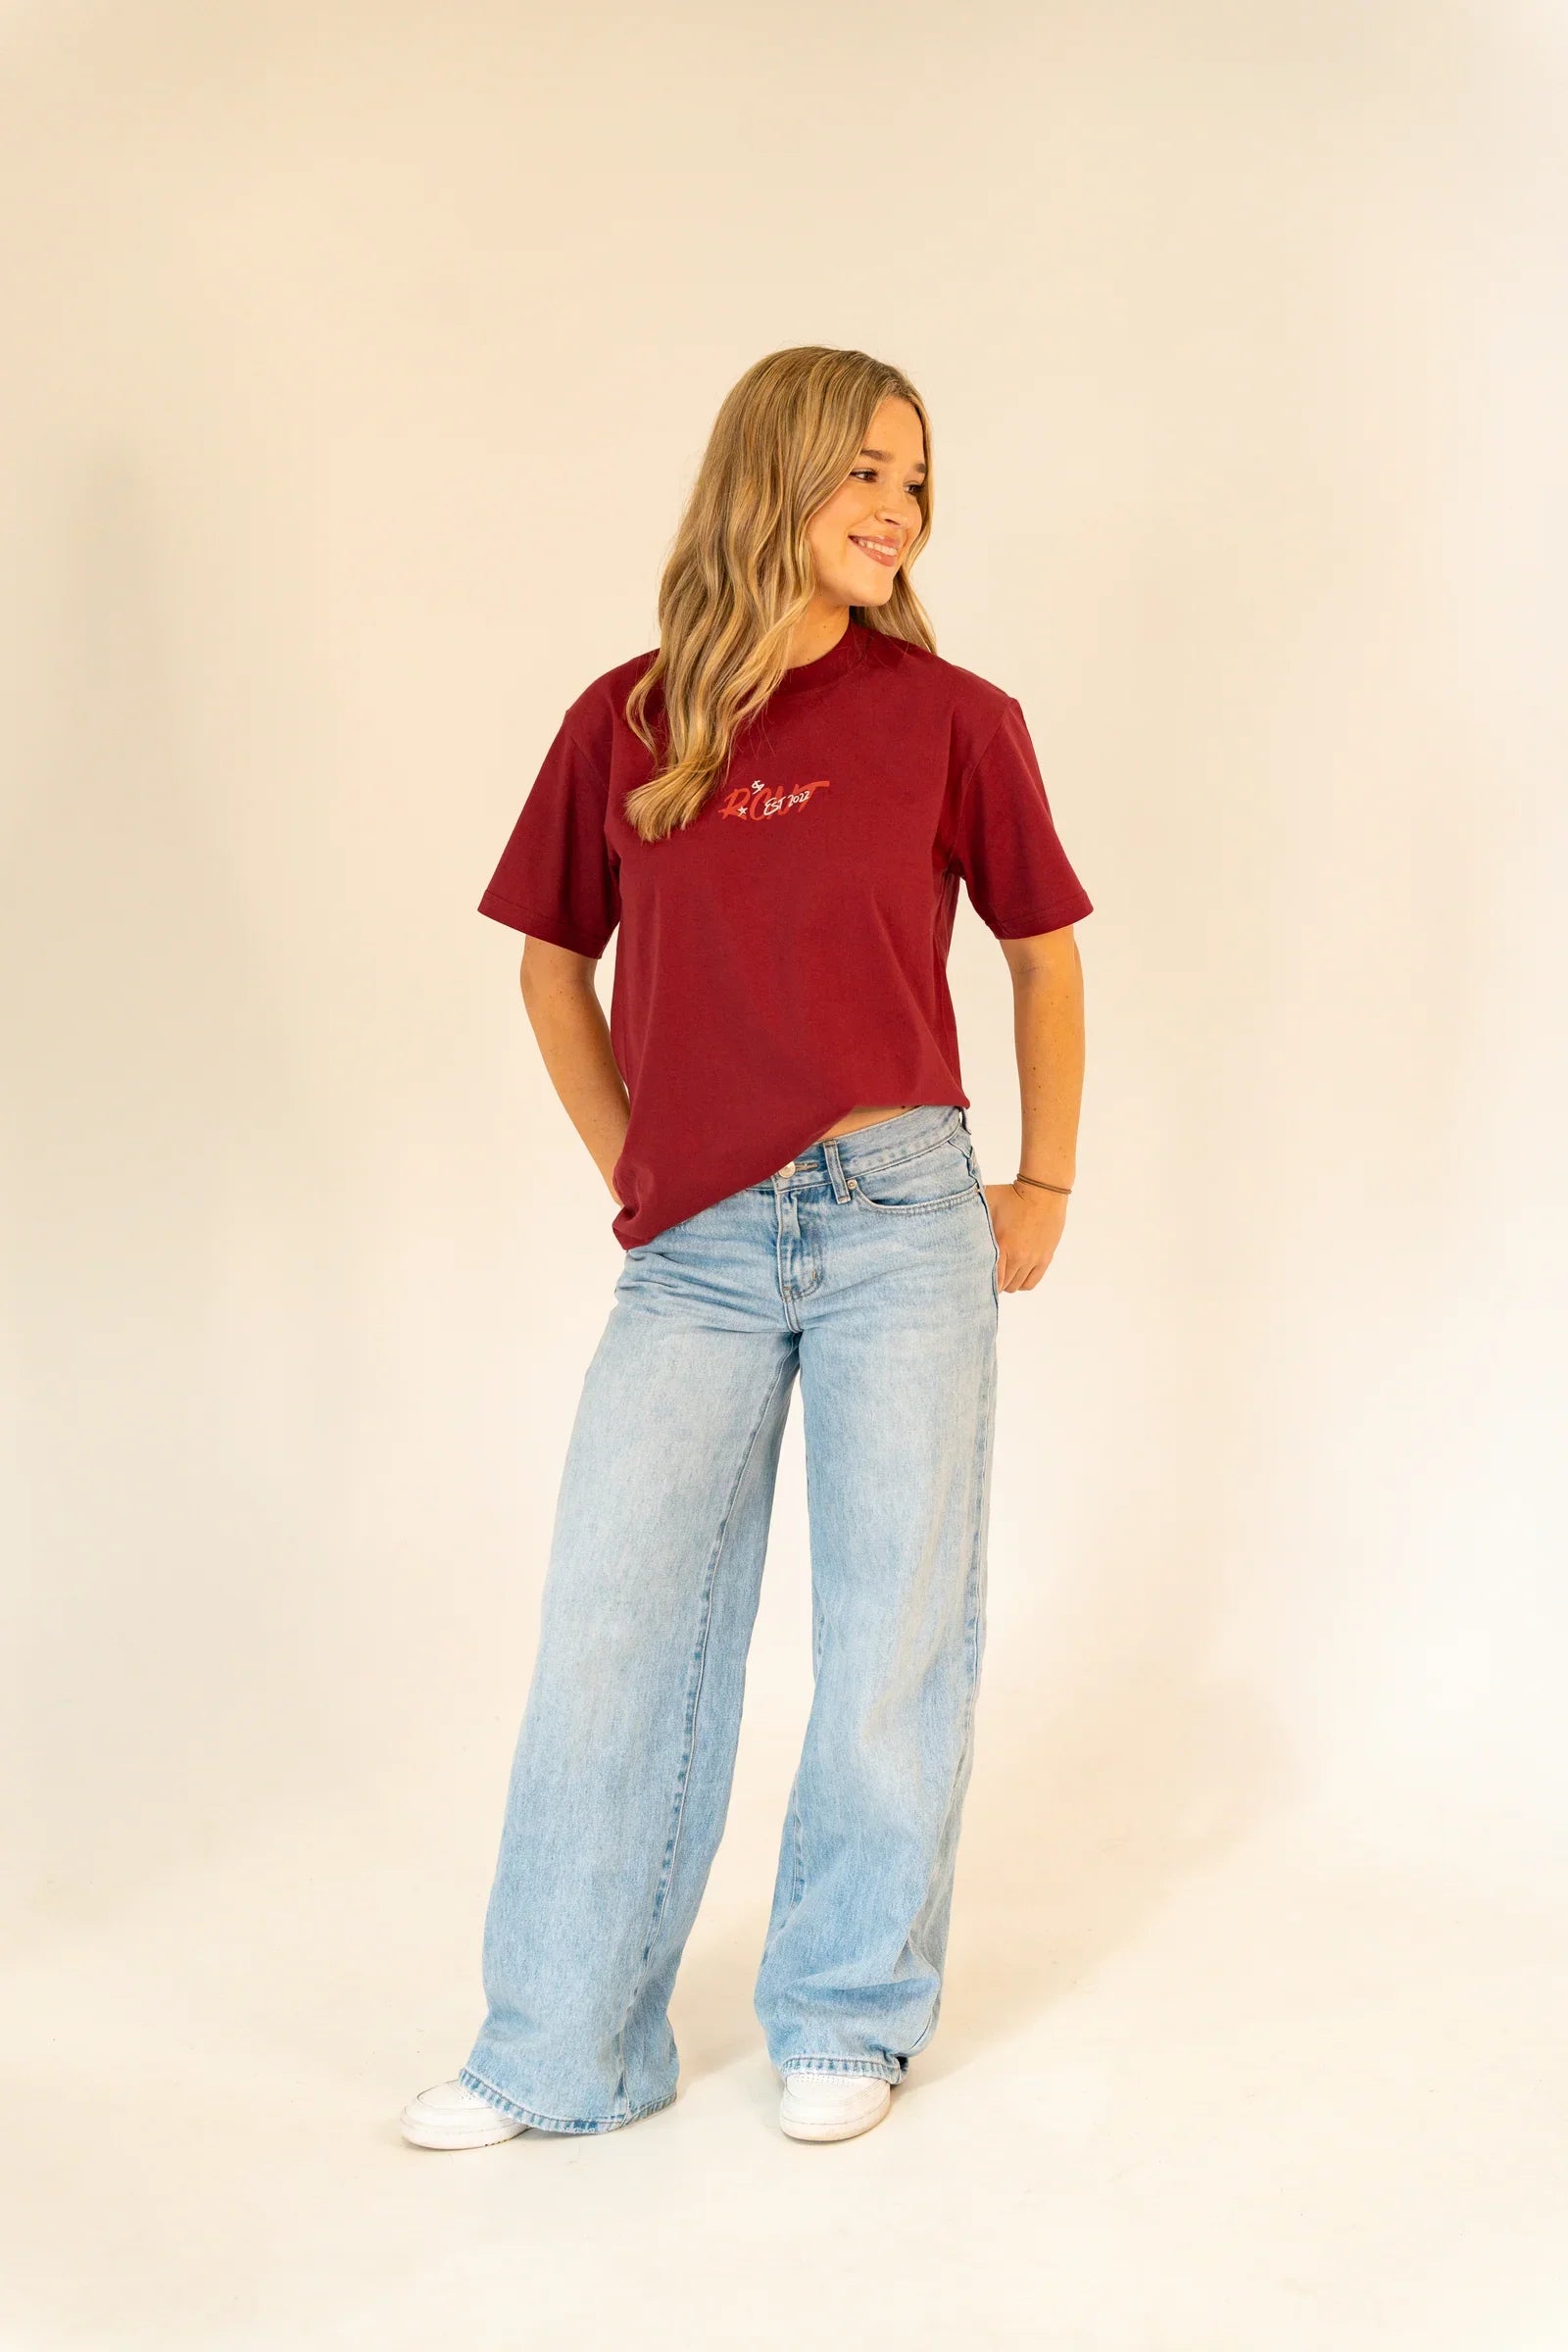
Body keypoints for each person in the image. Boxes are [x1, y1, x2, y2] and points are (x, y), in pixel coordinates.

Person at [400, 344, 1093, 2150]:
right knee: (611, 1629)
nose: (898, 510)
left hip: (905, 1228)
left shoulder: (954, 719)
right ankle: (557, 2051)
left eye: (919, 484)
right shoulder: (625, 719)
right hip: (695, 1255)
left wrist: (1048, 1183)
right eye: (866, 470)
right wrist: (646, 1167)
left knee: (891, 1635)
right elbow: (551, 963)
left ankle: (847, 2014)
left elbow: (1041, 954)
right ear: (769, 474)